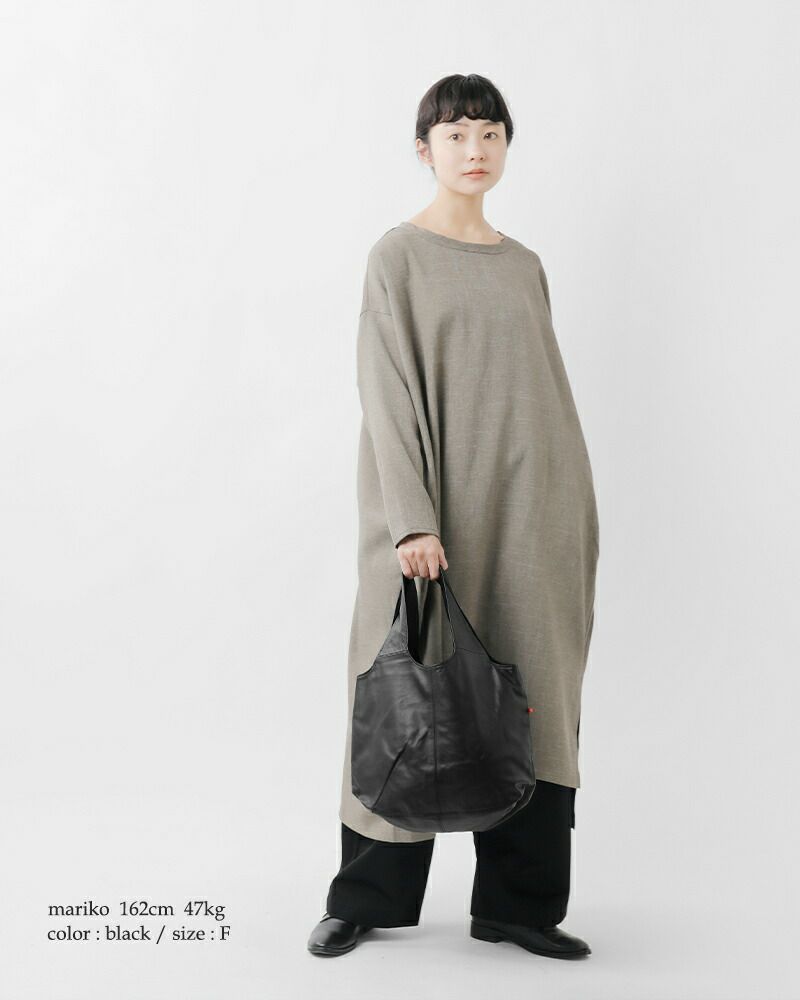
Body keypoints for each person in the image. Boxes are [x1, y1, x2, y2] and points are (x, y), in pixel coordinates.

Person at [308, 73, 599, 960]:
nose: (475, 151)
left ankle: (519, 906)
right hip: (429, 518)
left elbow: (541, 394)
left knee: (532, 704)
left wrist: (571, 514)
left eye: (490, 134)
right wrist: (411, 521)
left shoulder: (525, 265)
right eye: (457, 134)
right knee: (401, 698)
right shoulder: (397, 257)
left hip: (534, 518)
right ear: (425, 149)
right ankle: (365, 898)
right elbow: (387, 392)